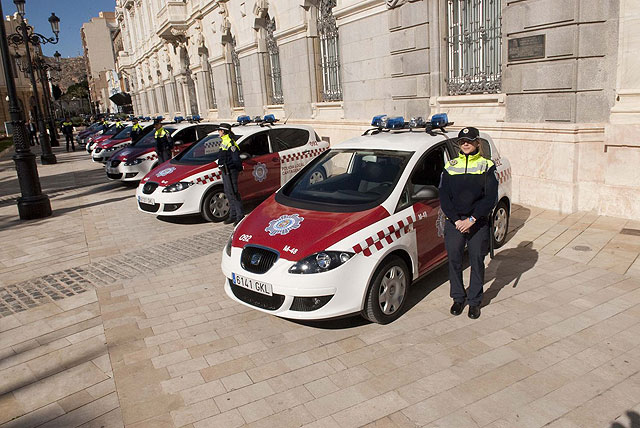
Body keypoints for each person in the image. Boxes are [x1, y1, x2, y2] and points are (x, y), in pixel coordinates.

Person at [439, 126, 498, 319]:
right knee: (454, 261)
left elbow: (490, 198)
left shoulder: (486, 165)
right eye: (462, 141)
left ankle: (474, 301)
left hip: (477, 223)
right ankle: (458, 298)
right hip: (455, 223)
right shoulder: (450, 166)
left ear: (477, 143)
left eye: (470, 141)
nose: (466, 144)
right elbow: (444, 198)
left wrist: (472, 220)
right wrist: (457, 220)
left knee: (476, 261)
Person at [217, 123, 244, 225]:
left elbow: (236, 159)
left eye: (219, 130)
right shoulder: (224, 141)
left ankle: (239, 215)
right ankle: (232, 215)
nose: (218, 132)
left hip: (230, 171)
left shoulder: (230, 143)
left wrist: (233, 168)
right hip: (225, 170)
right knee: (228, 192)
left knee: (233, 193)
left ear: (223, 131)